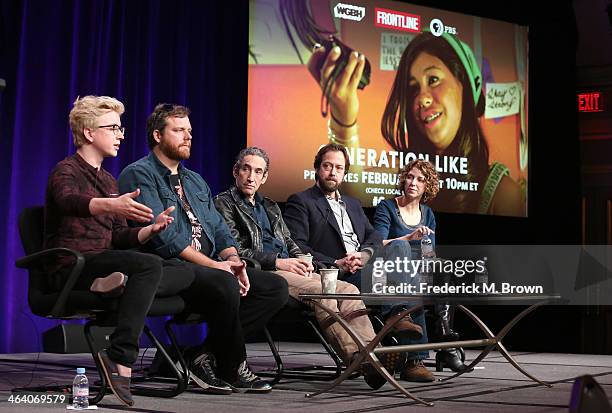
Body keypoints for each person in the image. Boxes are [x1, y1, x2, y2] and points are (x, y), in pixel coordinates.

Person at [117, 103, 289, 393]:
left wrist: (234, 261)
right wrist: (217, 267)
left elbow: (220, 231)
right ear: (158, 135)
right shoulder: (139, 174)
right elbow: (165, 239)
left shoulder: (195, 180)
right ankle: (234, 366)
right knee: (224, 282)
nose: (188, 137)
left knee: (275, 288)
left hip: (210, 267)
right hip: (172, 268)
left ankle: (202, 354)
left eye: (190, 131)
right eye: (179, 130)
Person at [213, 146, 407, 389]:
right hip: (264, 272)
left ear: (265, 177)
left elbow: (290, 242)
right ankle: (358, 359)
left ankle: (374, 356)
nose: (251, 177)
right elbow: (234, 250)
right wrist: (279, 261)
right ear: (236, 171)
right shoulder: (223, 203)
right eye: (246, 169)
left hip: (291, 268)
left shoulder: (270, 206)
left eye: (258, 171)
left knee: (348, 290)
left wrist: (303, 259)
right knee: (325, 295)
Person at [45, 95, 175, 406]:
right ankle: (122, 362)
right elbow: (68, 201)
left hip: (102, 260)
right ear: (89, 132)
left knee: (167, 267)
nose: (120, 134)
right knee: (148, 268)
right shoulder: (65, 171)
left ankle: (111, 284)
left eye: (121, 128)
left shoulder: (107, 179)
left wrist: (148, 230)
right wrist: (110, 204)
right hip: (71, 266)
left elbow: (118, 235)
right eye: (113, 127)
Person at [308, 31, 525, 216]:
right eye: (412, 89)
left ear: (466, 87)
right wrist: (344, 119)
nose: (422, 99)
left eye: (433, 80)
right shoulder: (397, 175)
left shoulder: (503, 194)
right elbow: (352, 200)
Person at [284, 143, 435, 382]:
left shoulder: (353, 204)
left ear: (345, 173)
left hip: (365, 268)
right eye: (327, 166)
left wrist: (364, 255)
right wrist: (338, 261)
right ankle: (412, 355)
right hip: (337, 275)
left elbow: (374, 239)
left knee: (400, 248)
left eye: (339, 168)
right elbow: (297, 246)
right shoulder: (301, 201)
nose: (333, 172)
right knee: (409, 277)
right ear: (317, 168)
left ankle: (399, 320)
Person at [374, 159, 470, 373]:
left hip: (420, 270)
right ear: (403, 179)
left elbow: (430, 255)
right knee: (413, 278)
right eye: (409, 177)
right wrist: (409, 237)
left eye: (420, 179)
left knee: (445, 267)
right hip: (392, 271)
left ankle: (445, 337)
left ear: (428, 186)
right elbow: (377, 244)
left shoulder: (428, 214)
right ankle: (436, 352)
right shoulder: (387, 207)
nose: (413, 182)